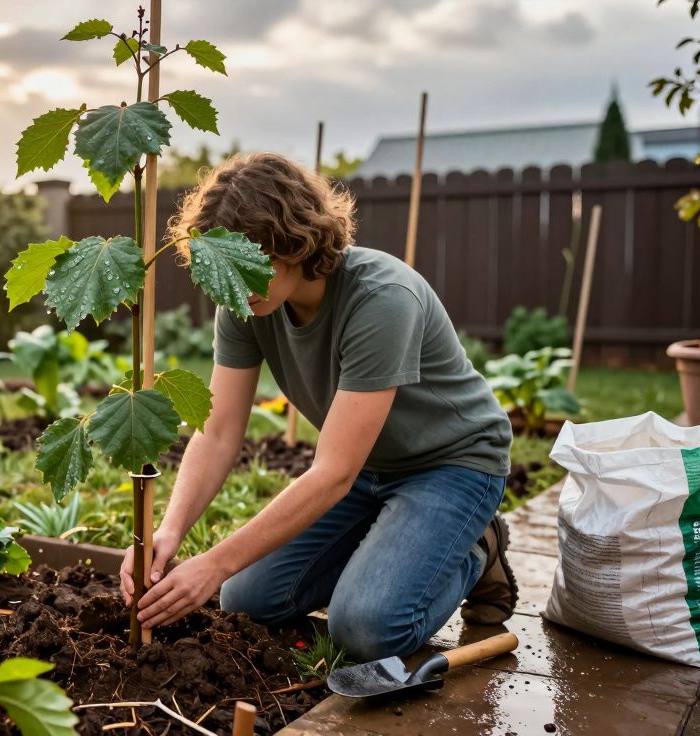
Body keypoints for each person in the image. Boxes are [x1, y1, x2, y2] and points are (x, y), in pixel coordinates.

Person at [119, 152, 516, 661]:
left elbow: (331, 474)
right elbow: (217, 433)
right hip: (367, 468)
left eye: (250, 264)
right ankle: (392, 548)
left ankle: (478, 551)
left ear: (294, 239)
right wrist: (166, 534)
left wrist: (215, 562)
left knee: (366, 629)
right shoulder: (244, 303)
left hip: (452, 465)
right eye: (223, 269)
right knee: (246, 600)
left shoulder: (382, 298)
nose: (235, 286)